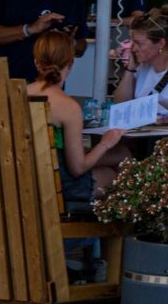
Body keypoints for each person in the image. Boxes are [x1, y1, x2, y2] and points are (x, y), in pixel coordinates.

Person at [24, 29, 132, 216]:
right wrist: (106, 142)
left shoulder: (18, 94)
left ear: (36, 62)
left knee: (121, 155)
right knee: (115, 173)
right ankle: (107, 236)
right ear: (71, 64)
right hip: (58, 189)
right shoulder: (68, 107)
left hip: (24, 182)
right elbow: (77, 168)